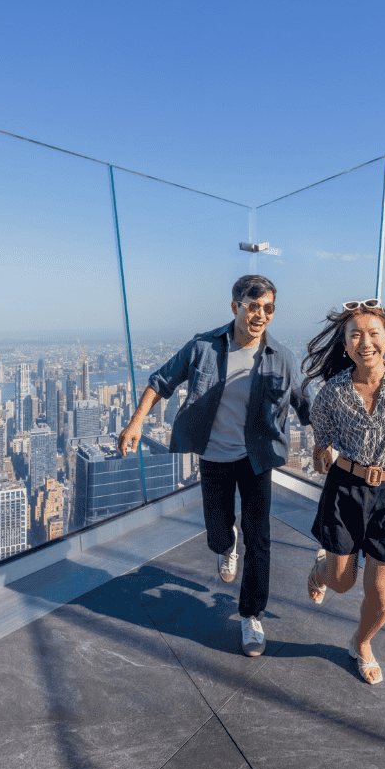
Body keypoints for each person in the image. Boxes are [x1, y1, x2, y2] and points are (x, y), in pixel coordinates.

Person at [118, 275, 312, 657]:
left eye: (268, 308)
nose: (260, 315)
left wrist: (326, 443)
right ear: (235, 306)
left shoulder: (282, 358)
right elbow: (162, 381)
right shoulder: (203, 347)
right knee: (218, 532)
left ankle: (251, 614)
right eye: (252, 306)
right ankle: (226, 545)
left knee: (260, 538)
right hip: (213, 457)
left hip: (256, 460)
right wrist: (136, 421)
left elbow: (308, 405)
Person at [302, 300, 385, 685]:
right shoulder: (333, 391)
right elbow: (322, 435)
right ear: (345, 346)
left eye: (373, 333)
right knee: (342, 582)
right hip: (346, 490)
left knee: (381, 594)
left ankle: (361, 642)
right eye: (355, 335)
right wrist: (321, 450)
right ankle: (320, 570)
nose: (365, 342)